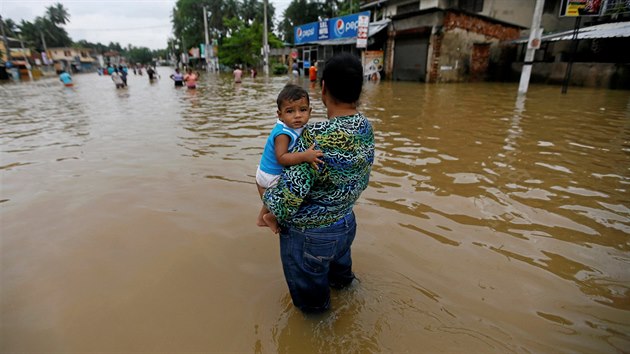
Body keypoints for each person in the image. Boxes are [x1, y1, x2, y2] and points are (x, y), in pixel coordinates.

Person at [262, 53, 374, 313]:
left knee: (314, 312)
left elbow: (289, 197)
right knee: (344, 285)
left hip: (312, 237)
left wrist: (267, 201)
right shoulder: (366, 127)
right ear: (359, 89)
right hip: (346, 223)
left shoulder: (316, 136)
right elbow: (363, 177)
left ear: (323, 88)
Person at [256, 84, 323, 234]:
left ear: (310, 111)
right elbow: (282, 158)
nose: (297, 115)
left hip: (264, 171)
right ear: (279, 115)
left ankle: (261, 218)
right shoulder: (283, 134)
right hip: (271, 175)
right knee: (295, 193)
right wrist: (305, 156)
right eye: (290, 111)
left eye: (303, 110)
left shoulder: (292, 126)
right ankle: (273, 216)